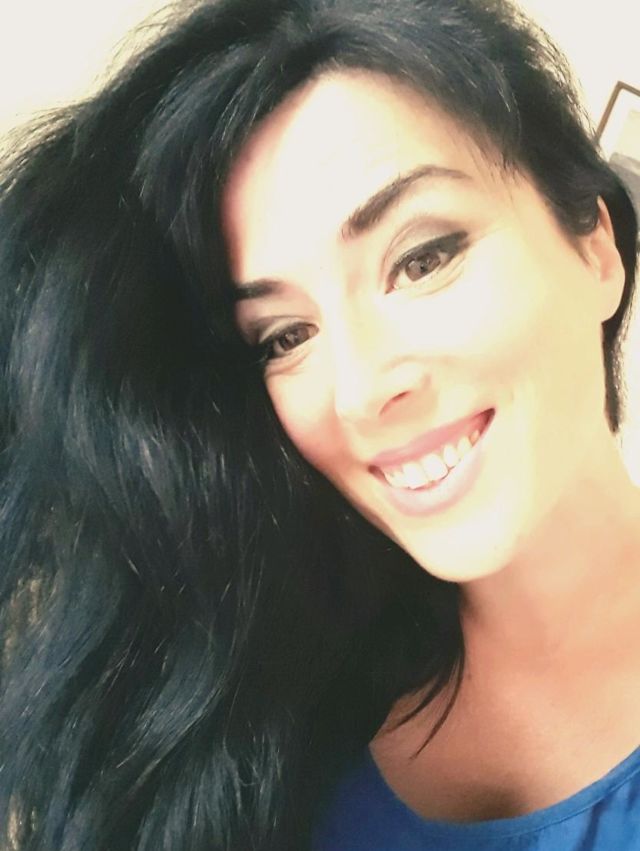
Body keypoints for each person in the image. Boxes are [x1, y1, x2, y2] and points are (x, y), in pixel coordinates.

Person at [0, 0, 637, 849]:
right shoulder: (259, 700)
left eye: (422, 258)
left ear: (596, 248)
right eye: (285, 336)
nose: (360, 390)